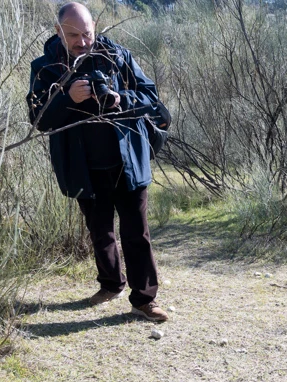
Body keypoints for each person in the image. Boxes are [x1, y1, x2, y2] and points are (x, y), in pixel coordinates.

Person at [27, 2, 170, 322]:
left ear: (96, 27)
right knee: (100, 231)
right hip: (83, 167)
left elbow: (153, 102)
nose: (81, 41)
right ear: (58, 32)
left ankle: (144, 299)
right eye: (73, 35)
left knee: (137, 233)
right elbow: (38, 118)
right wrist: (66, 98)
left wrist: (121, 99)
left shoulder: (118, 56)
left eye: (87, 33)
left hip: (127, 162)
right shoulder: (46, 68)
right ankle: (111, 284)